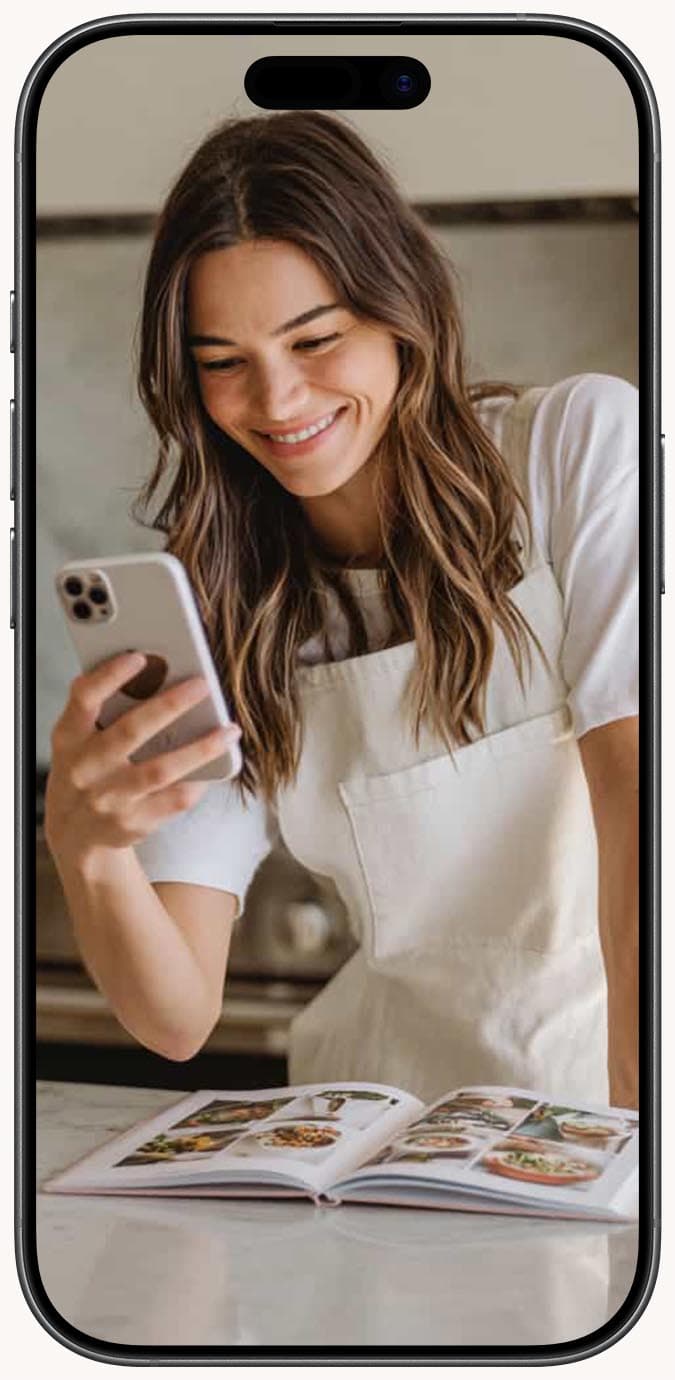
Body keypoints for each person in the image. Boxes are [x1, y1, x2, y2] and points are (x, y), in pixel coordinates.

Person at [44, 111, 639, 1108]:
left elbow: (641, 800)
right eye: (222, 360)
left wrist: (637, 1131)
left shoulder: (575, 451)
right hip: (371, 1140)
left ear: (403, 309)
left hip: (602, 1109)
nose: (276, 401)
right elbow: (176, 1015)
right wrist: (88, 849)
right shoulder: (223, 599)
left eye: (315, 339)